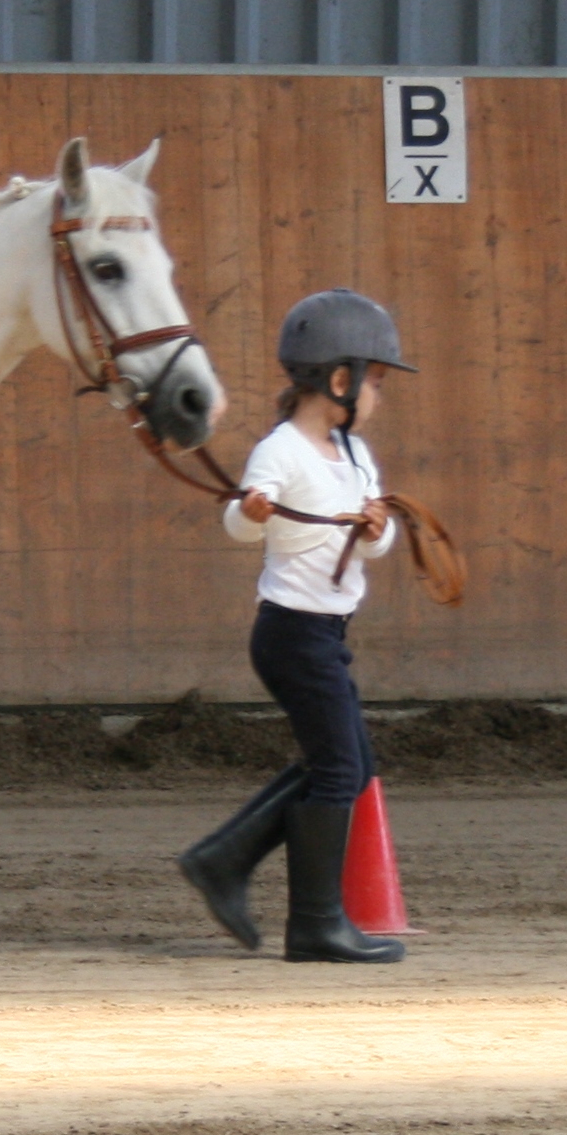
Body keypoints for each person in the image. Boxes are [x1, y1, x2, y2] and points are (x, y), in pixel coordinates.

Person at [177, 289, 415, 964]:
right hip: (291, 634)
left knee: (349, 763)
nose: (378, 393)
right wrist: (251, 514)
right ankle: (313, 923)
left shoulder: (356, 455)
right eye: (375, 379)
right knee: (341, 768)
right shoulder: (279, 451)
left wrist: (377, 529)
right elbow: (238, 525)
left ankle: (224, 859)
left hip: (326, 634)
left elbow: (375, 544)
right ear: (338, 379)